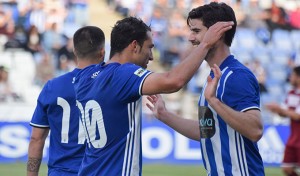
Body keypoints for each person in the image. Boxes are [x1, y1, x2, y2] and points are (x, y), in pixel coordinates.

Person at [74, 16, 233, 175]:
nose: (151, 56)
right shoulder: (121, 74)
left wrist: (164, 115)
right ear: (134, 46)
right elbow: (174, 81)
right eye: (149, 48)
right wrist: (205, 44)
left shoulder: (86, 76)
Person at [146, 2, 265, 176]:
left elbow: (255, 130)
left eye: (196, 31)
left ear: (218, 34)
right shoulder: (214, 77)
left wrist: (214, 101)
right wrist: (165, 115)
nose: (190, 38)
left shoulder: (236, 76)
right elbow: (208, 132)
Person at [27, 26, 106, 176]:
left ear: (75, 51)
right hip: (98, 171)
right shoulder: (112, 84)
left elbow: (36, 138)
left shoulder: (52, 87)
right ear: (102, 52)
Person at [265, 66, 300, 176]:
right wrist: (276, 110)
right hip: (293, 137)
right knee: (286, 168)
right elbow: (285, 113)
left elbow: (297, 116)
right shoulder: (291, 93)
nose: (290, 77)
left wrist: (280, 110)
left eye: (293, 75)